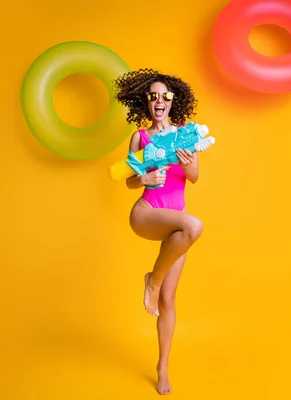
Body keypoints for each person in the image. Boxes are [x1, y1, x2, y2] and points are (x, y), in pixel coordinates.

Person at [113, 68, 204, 395]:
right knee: (194, 225)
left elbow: (193, 177)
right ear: (147, 102)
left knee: (168, 299)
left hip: (174, 223)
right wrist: (144, 179)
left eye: (165, 95)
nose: (159, 101)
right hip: (147, 213)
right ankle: (151, 279)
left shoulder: (185, 135)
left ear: (173, 100)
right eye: (153, 96)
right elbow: (128, 179)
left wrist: (188, 160)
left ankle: (162, 367)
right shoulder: (141, 137)